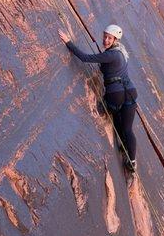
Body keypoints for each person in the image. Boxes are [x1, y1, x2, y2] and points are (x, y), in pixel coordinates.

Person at [58, 25, 138, 172]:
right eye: (105, 36)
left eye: (109, 38)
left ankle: (124, 147)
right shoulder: (121, 52)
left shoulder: (110, 54)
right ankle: (132, 161)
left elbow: (85, 58)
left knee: (114, 113)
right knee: (128, 128)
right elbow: (111, 67)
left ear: (115, 39)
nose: (106, 40)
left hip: (116, 94)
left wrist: (68, 42)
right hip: (131, 93)